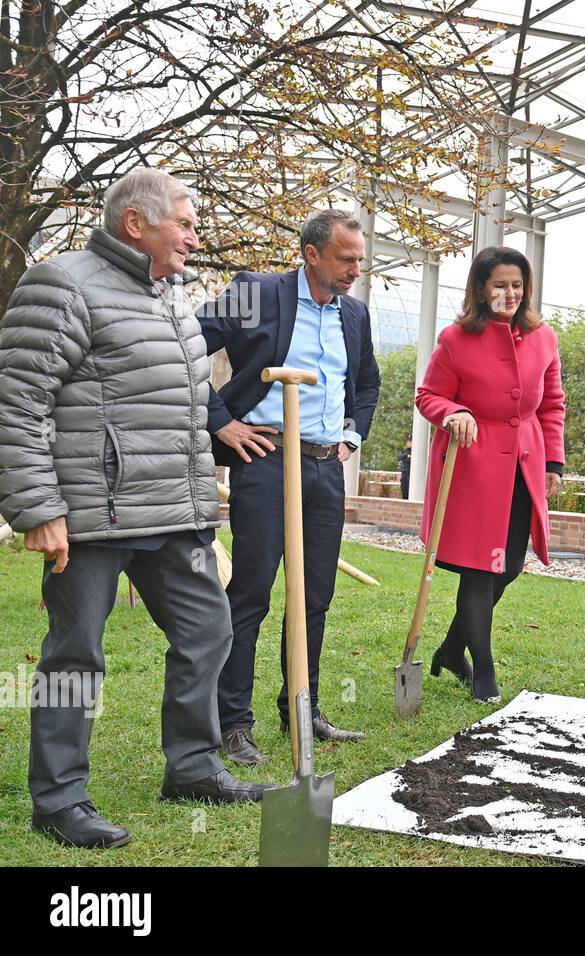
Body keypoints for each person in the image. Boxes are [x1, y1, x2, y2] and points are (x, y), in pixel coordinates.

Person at [0, 168, 272, 848]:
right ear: (136, 224)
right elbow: (18, 402)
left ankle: (193, 766)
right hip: (92, 513)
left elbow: (180, 410)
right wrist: (37, 508)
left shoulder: (172, 294)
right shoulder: (62, 284)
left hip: (172, 511)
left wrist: (201, 509)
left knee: (210, 631)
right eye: (184, 221)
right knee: (76, 656)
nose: (194, 234)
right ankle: (60, 800)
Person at [199, 208, 381, 766]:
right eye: (345, 258)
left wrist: (351, 435)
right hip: (267, 459)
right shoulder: (257, 293)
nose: (356, 269)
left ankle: (303, 708)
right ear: (310, 254)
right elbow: (182, 348)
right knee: (251, 591)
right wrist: (219, 421)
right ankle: (233, 722)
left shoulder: (354, 313)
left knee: (314, 597)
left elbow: (367, 381)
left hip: (326, 468)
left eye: (359, 259)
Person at [415, 246, 565, 704]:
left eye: (517, 285)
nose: (510, 293)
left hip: (524, 464)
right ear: (481, 288)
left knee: (510, 565)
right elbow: (428, 395)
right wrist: (454, 411)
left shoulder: (544, 337)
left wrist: (554, 462)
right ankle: (483, 672)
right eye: (500, 284)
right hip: (474, 469)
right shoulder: (455, 339)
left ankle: (449, 649)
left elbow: (552, 403)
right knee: (481, 571)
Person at [399, 435, 413, 499]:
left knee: (410, 491)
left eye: (410, 442)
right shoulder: (404, 451)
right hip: (405, 473)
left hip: (411, 474)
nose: (409, 443)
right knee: (404, 490)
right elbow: (399, 457)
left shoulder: (415, 451)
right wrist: (405, 455)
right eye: (408, 442)